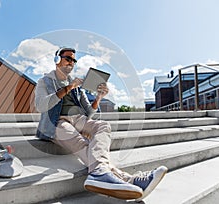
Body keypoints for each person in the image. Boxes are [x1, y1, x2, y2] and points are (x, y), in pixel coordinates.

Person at [34, 47, 167, 201]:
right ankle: (129, 179)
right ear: (58, 60)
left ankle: (100, 174)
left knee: (103, 125)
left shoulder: (77, 86)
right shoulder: (45, 81)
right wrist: (68, 88)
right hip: (57, 122)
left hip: (78, 119)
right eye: (68, 58)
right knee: (84, 144)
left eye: (74, 60)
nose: (71, 63)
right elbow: (41, 105)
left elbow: (89, 112)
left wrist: (98, 98)